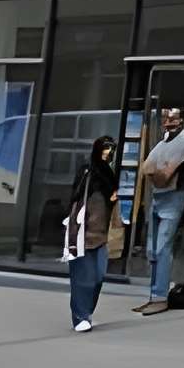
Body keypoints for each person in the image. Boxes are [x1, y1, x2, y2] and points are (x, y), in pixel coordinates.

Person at [132, 105, 184, 317]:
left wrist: (159, 172)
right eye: (166, 118)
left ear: (182, 121)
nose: (168, 122)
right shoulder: (163, 143)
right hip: (159, 198)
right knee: (152, 250)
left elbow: (163, 175)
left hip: (173, 198)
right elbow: (145, 168)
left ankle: (159, 297)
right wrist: (159, 171)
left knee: (162, 248)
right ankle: (154, 296)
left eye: (173, 119)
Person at [62, 135, 119, 332]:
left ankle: (87, 311)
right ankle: (80, 317)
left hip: (102, 235)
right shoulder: (87, 172)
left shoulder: (109, 175)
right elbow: (76, 199)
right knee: (82, 279)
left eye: (111, 149)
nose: (108, 152)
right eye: (105, 148)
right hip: (82, 234)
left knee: (98, 277)